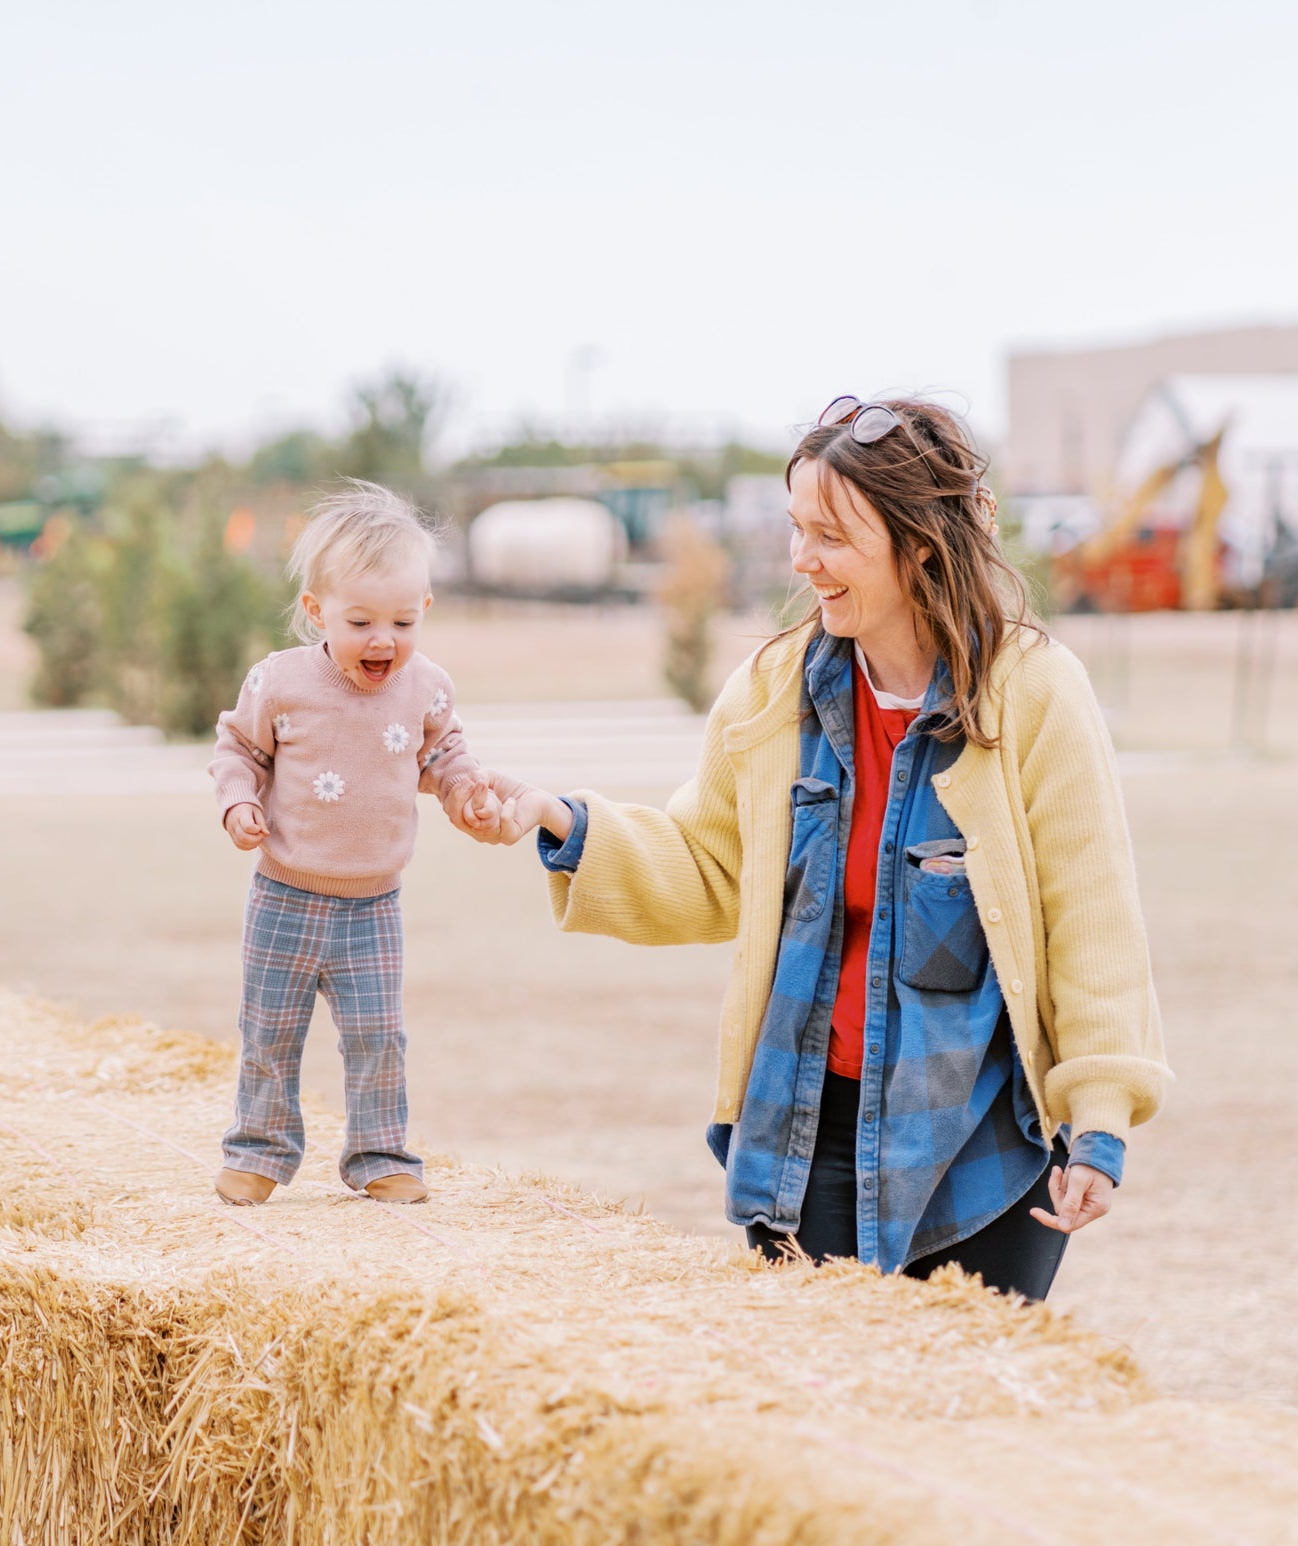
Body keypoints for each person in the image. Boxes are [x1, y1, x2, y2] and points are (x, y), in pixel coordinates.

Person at [482, 397, 1168, 1298]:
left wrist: (1100, 1121)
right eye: (797, 529)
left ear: (919, 545)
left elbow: (1091, 917)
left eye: (831, 537)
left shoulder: (1035, 694)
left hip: (983, 1149)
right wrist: (565, 823)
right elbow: (709, 866)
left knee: (961, 1414)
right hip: (806, 1136)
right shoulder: (773, 691)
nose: (802, 559)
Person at [209, 481, 505, 1208]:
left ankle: (379, 1155)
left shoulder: (427, 687)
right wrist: (239, 801)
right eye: (362, 620)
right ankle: (257, 1152)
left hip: (372, 905)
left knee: (378, 1038)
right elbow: (238, 749)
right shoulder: (280, 681)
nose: (384, 640)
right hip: (284, 894)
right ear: (317, 612)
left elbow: (444, 755)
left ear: (425, 609)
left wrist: (466, 791)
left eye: (403, 621)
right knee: (269, 1035)